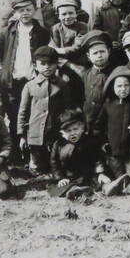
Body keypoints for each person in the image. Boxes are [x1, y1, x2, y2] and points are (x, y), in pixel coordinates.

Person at [0, 0, 50, 164]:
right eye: (20, 10)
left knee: (33, 117)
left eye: (28, 9)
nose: (25, 13)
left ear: (34, 10)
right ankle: (15, 157)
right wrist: (1, 69)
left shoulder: (41, 32)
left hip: (33, 81)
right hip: (12, 82)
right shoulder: (6, 32)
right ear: (15, 12)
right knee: (15, 117)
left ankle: (33, 157)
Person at [18, 45, 85, 176]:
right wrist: (22, 134)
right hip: (35, 132)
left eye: (51, 63)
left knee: (54, 161)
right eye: (42, 64)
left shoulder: (62, 85)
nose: (47, 67)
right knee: (37, 165)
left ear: (56, 65)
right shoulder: (30, 86)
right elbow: (23, 111)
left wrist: (65, 128)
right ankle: (35, 168)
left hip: (54, 131)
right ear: (35, 65)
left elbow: (67, 109)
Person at [92, 66, 130, 191]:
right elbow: (97, 127)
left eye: (126, 85)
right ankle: (116, 184)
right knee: (115, 167)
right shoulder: (108, 106)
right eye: (119, 86)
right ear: (112, 87)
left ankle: (121, 182)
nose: (123, 89)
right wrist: (103, 143)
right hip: (113, 151)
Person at [48, 108, 113, 199]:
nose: (73, 133)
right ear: (62, 133)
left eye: (75, 129)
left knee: (100, 181)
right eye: (68, 131)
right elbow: (55, 164)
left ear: (82, 128)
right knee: (62, 187)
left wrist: (100, 173)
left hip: (87, 176)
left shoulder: (88, 141)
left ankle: (108, 187)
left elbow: (97, 159)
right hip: (69, 178)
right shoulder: (58, 145)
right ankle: (75, 191)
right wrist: (60, 178)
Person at [80, 31, 114, 127]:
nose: (99, 56)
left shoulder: (115, 74)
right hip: (87, 122)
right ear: (88, 56)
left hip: (107, 123)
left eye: (102, 51)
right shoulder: (85, 75)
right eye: (95, 53)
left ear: (109, 51)